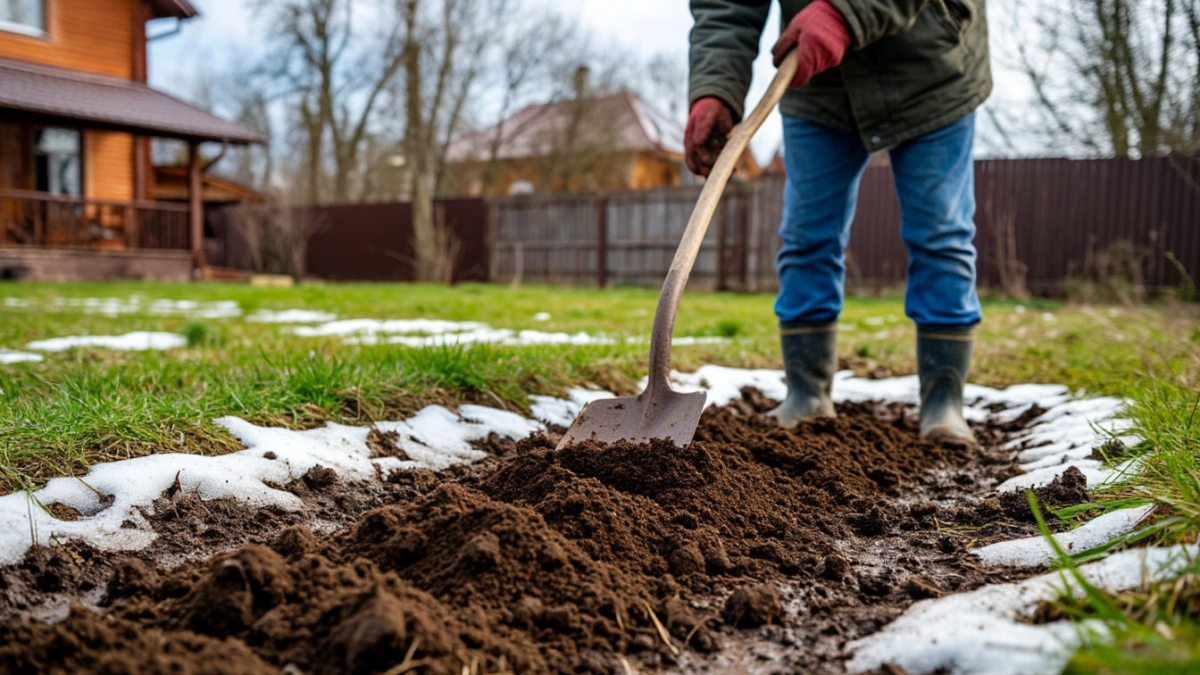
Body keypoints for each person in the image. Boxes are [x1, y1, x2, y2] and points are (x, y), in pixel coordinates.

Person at [686, 0, 991, 445]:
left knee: (941, 236)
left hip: (930, 67)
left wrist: (848, 10)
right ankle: (807, 394)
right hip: (817, 83)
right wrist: (715, 86)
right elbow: (726, 5)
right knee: (806, 238)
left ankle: (944, 403)